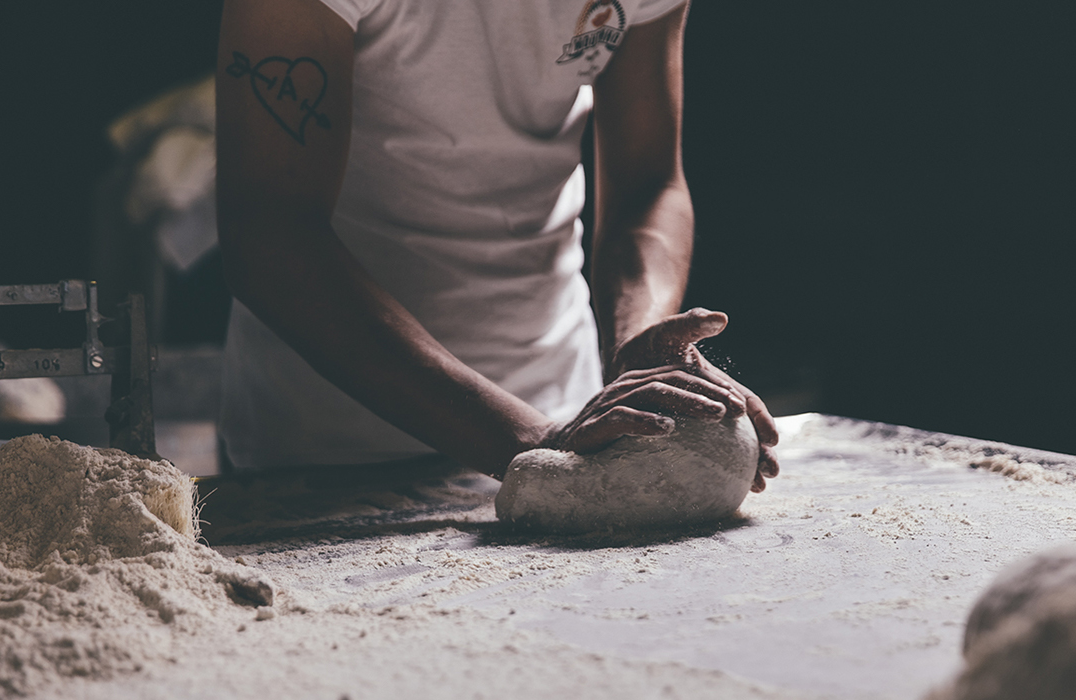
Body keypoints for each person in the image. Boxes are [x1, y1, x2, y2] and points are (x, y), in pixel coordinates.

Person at [215, 0, 779, 491]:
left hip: (569, 414)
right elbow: (271, 236)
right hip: (329, 442)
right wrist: (523, 437)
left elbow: (647, 184)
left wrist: (637, 347)